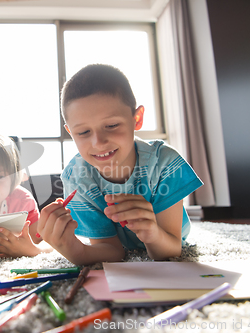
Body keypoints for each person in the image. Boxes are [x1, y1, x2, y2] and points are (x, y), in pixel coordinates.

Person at [36, 64, 203, 265]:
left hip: (169, 237)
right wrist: (75, 251)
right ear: (71, 133)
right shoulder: (76, 177)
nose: (98, 142)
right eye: (83, 133)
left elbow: (170, 250)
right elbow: (112, 251)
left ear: (137, 119)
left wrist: (152, 233)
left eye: (112, 126)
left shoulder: (165, 162)